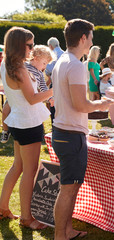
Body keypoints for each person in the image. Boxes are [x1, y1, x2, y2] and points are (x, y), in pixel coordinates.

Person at [51, 19, 114, 240]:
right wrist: (102, 104)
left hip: (65, 132)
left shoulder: (63, 60)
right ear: (82, 38)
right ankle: (61, 235)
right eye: (90, 37)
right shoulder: (76, 65)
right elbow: (81, 105)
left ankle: (66, 231)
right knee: (68, 189)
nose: (91, 42)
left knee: (71, 186)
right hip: (70, 135)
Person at [0, 27, 52, 229]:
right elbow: (32, 99)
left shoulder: (6, 65)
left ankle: (3, 207)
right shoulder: (20, 68)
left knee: (18, 167)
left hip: (18, 122)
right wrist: (55, 90)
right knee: (29, 171)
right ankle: (27, 218)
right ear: (19, 45)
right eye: (30, 45)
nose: (32, 49)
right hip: (28, 123)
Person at [1, 45, 55, 144]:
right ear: (36, 58)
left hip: (30, 99)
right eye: (44, 63)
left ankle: (38, 132)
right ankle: (5, 130)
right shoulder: (23, 66)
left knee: (35, 117)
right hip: (18, 96)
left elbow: (43, 86)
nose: (44, 67)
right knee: (5, 110)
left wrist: (50, 97)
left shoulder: (39, 73)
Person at [46, 37, 64, 123]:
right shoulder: (64, 53)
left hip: (55, 82)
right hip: (64, 82)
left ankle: (54, 124)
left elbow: (49, 69)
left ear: (50, 46)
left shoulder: (52, 54)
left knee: (53, 105)